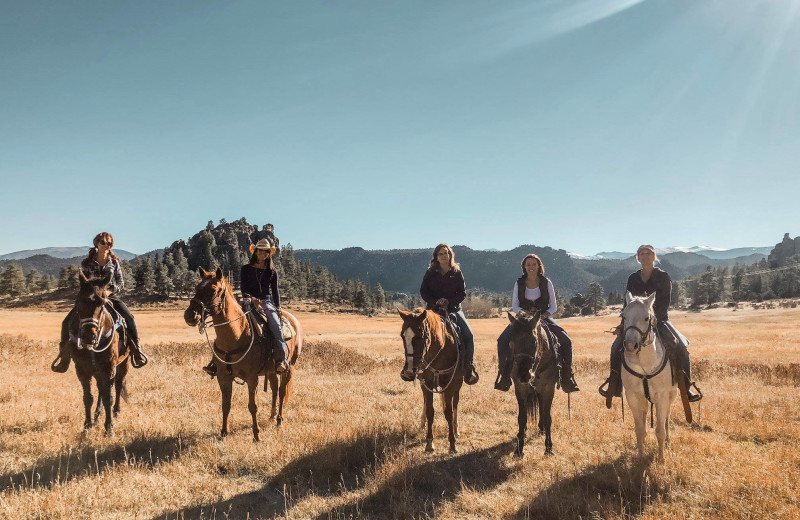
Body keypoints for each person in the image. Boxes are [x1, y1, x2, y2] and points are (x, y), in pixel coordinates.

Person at [598, 244, 702, 407]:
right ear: (638, 258)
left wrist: (655, 319)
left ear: (654, 257)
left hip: (659, 320)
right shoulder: (633, 278)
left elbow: (665, 302)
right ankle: (615, 384)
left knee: (681, 346)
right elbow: (627, 304)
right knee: (616, 347)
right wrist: (622, 324)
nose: (645, 257)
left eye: (648, 254)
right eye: (642, 254)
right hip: (634, 322)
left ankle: (686, 388)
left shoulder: (663, 276)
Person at [51, 232, 148, 373]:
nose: (106, 245)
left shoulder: (114, 263)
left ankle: (136, 350)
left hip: (110, 297)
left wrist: (108, 292)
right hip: (90, 299)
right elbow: (83, 283)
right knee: (66, 322)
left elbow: (120, 283)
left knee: (129, 318)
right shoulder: (87, 262)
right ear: (96, 243)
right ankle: (64, 357)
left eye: (109, 243)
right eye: (103, 242)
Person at [494, 254, 580, 393]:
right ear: (524, 267)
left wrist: (544, 315)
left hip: (543, 317)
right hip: (522, 319)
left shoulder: (547, 282)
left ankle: (567, 376)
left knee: (566, 340)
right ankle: (504, 375)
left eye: (534, 264)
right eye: (528, 264)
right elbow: (515, 305)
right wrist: (524, 313)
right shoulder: (519, 283)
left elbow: (553, 306)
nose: (531, 267)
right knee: (502, 340)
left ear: (539, 266)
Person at [202, 238, 288, 377]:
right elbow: (244, 288)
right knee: (227, 326)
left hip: (266, 301)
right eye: (260, 251)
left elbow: (275, 291)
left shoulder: (272, 272)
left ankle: (280, 360)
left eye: (265, 252)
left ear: (268, 253)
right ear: (255, 252)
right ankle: (215, 362)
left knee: (276, 326)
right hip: (248, 300)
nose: (262, 254)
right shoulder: (246, 269)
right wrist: (251, 298)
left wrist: (277, 307)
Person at [419, 244, 479, 385]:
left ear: (450, 255)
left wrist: (449, 302)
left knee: (468, 335)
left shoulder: (456, 272)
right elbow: (423, 292)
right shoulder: (430, 272)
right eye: (440, 254)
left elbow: (462, 293)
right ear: (436, 257)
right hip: (433, 311)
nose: (444, 256)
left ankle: (468, 368)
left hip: (454, 310)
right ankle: (417, 368)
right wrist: (436, 302)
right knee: (418, 334)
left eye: (446, 253)